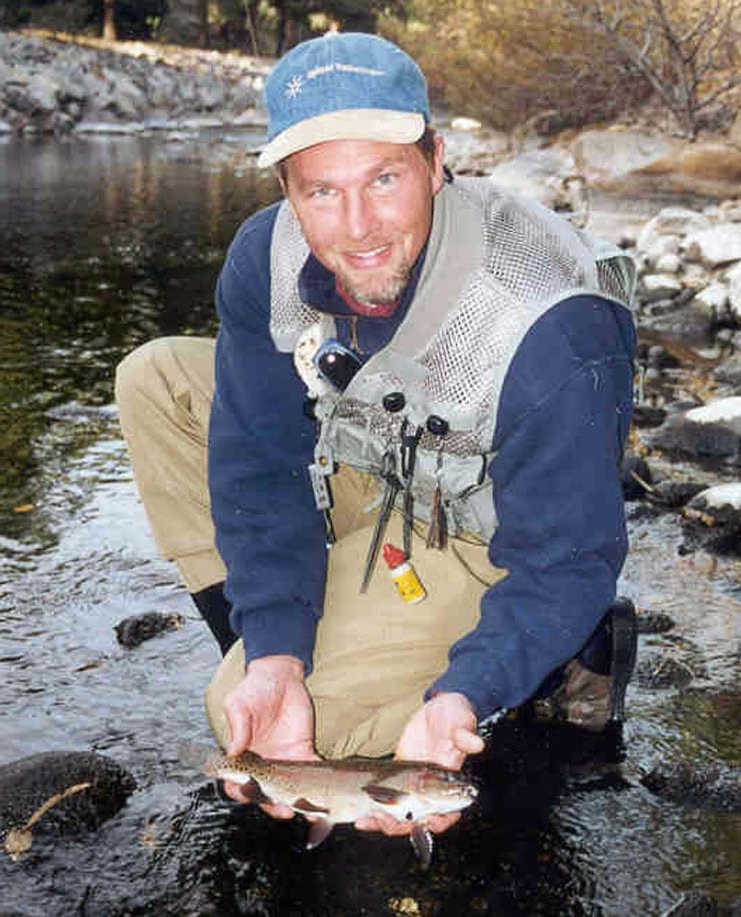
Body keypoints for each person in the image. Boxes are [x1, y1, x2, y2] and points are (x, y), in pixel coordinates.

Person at [115, 32, 638, 841]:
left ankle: (543, 650)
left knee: (271, 725)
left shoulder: (550, 323)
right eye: (321, 191)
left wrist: (464, 692)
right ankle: (283, 655)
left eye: (385, 178)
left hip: (487, 535)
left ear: (435, 161)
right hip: (372, 465)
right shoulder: (265, 255)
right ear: (287, 188)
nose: (358, 226)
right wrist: (278, 654)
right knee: (157, 379)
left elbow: (565, 553)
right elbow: (256, 461)